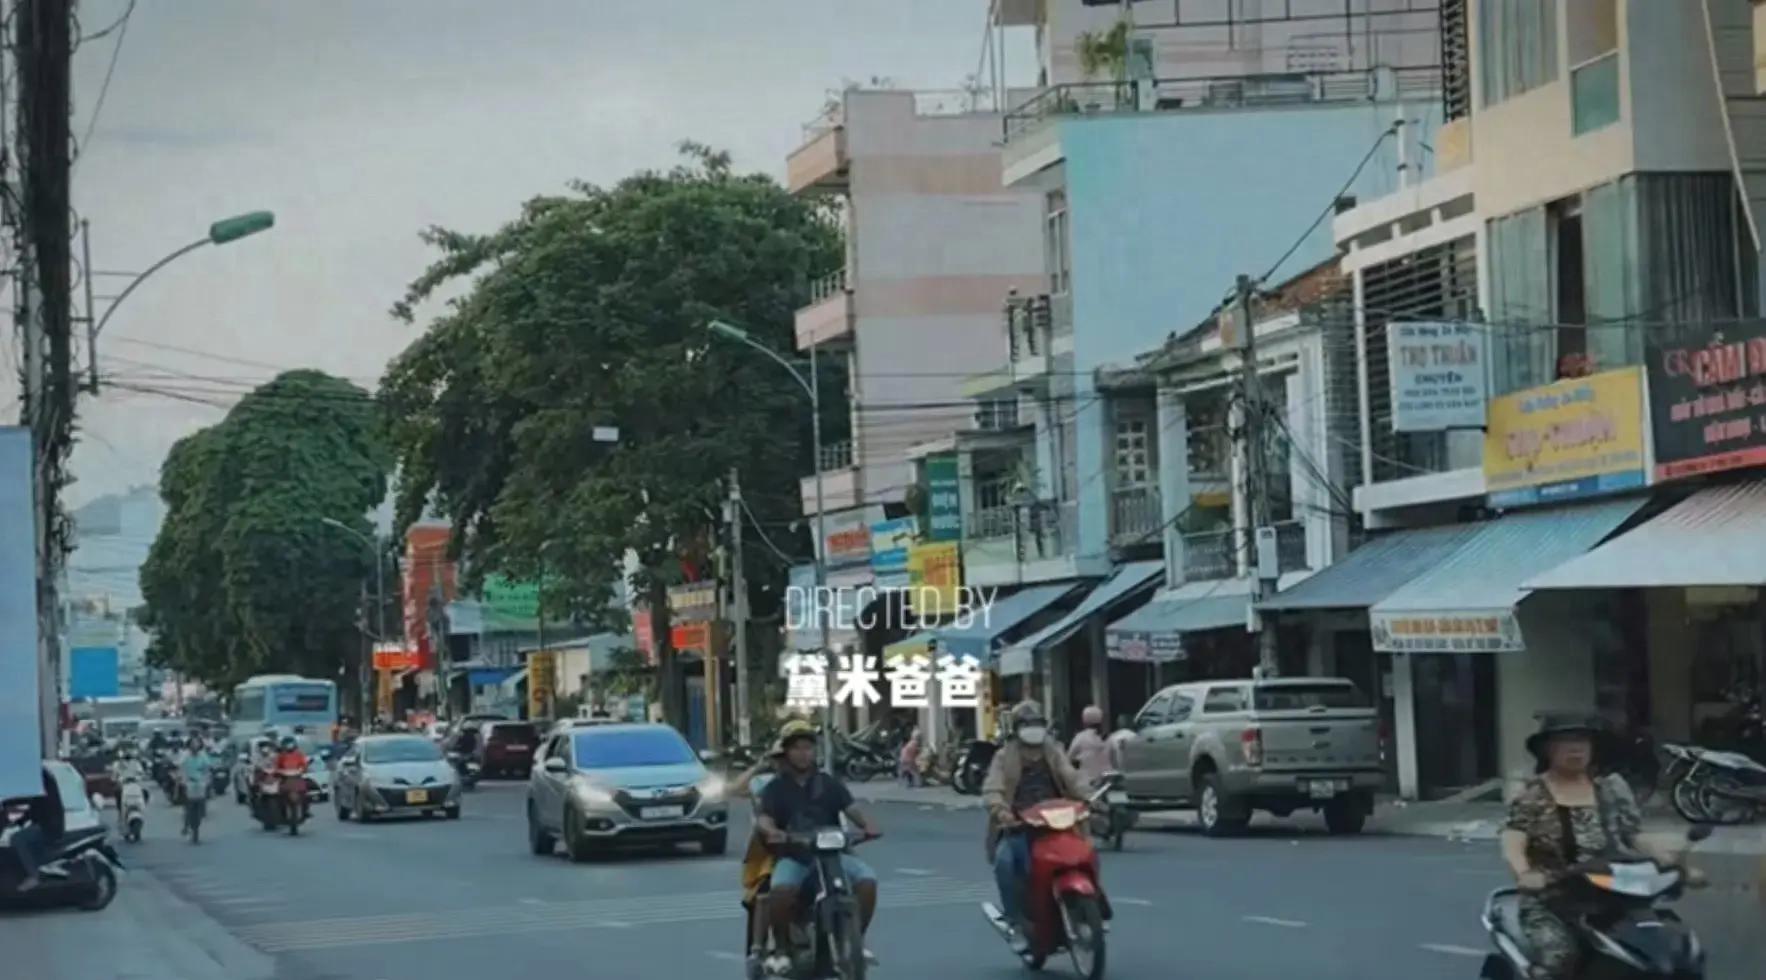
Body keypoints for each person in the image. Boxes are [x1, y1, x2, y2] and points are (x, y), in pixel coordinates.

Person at [1500, 713, 1702, 980]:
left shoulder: (1611, 788)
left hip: (1613, 891)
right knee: (1560, 957)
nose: (1576, 749)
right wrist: (1524, 873)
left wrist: (1669, 861)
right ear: (1548, 749)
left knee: (1671, 948)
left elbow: (1633, 834)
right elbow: (1514, 837)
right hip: (1556, 896)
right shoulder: (1532, 794)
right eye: (1566, 742)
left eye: (1583, 742)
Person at [756, 720, 881, 972]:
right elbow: (764, 818)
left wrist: (868, 826)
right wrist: (774, 832)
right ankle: (781, 949)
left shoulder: (829, 783)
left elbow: (852, 808)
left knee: (867, 881)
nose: (804, 754)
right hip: (795, 856)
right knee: (781, 891)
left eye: (808, 748)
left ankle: (856, 940)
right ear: (787, 753)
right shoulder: (775, 788)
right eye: (797, 748)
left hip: (833, 855)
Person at [983, 700, 1087, 952]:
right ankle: (1015, 923)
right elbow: (992, 788)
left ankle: (1087, 909)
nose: (1033, 729)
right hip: (1018, 824)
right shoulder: (1004, 756)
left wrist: (1090, 796)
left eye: (1037, 723)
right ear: (1016, 728)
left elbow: (1072, 777)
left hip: (1057, 821)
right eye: (1027, 724)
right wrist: (1000, 810)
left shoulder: (1054, 750)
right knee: (1005, 863)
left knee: (1085, 856)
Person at [3, 764, 65, 891]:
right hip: (46, 823)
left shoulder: (40, 776)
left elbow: (35, 804)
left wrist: (15, 814)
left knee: (17, 839)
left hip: (50, 826)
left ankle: (34, 876)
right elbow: (34, 805)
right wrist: (19, 820)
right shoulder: (39, 775)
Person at [178, 733, 214, 839]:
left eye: (196, 744)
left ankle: (198, 818)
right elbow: (181, 767)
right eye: (193, 744)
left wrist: (207, 778)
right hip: (188, 782)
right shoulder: (185, 755)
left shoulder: (203, 755)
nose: (195, 746)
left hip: (200, 783)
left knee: (202, 802)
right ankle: (186, 825)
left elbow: (208, 767)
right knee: (188, 805)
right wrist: (182, 779)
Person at [1067, 705, 1112, 788]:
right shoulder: (1109, 738)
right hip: (1106, 782)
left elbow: (1069, 758)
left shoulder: (1080, 737)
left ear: (1084, 720)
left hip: (1087, 783)